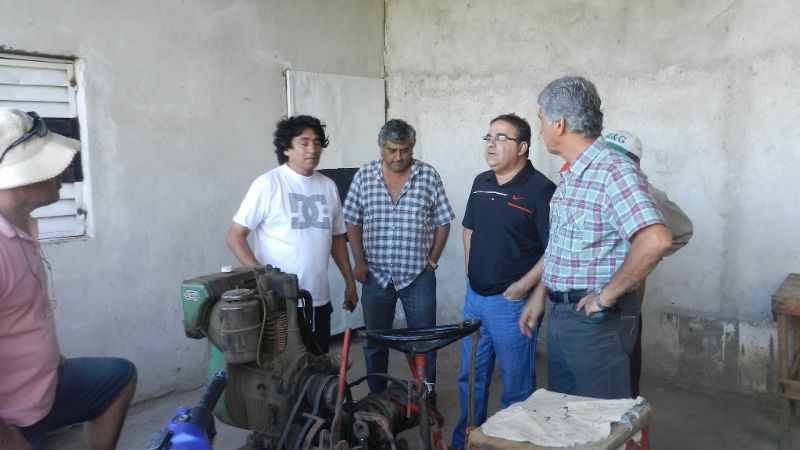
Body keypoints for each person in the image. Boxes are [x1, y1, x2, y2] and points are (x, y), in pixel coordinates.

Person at [0, 108, 137, 450]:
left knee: (118, 378)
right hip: (12, 417)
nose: (64, 172)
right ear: (20, 177)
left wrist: (50, 357)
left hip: (42, 387)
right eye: (52, 165)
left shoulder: (22, 226)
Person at [528, 76, 672, 399]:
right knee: (565, 417)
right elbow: (563, 248)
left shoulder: (611, 170)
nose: (540, 128)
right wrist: (540, 295)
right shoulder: (574, 173)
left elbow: (656, 239)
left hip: (596, 323)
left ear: (559, 124)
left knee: (599, 425)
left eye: (541, 119)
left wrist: (605, 297)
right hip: (564, 315)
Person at [451, 113, 555, 450]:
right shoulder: (481, 182)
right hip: (475, 299)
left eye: (501, 137)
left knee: (517, 387)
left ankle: (515, 444)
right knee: (471, 377)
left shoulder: (540, 190)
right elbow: (469, 228)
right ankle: (464, 442)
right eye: (488, 137)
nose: (491, 144)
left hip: (512, 305)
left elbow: (555, 249)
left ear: (523, 147)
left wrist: (525, 286)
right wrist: (471, 267)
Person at [227, 115, 358, 354]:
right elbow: (235, 237)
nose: (313, 149)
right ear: (287, 148)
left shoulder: (328, 186)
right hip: (279, 303)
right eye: (304, 142)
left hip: (318, 298)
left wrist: (350, 281)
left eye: (317, 142)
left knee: (318, 365)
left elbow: (337, 239)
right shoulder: (268, 184)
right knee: (284, 372)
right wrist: (263, 279)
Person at [342, 119, 454, 397]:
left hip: (418, 276)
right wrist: (359, 261)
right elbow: (352, 221)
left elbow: (443, 222)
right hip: (376, 276)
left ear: (412, 147)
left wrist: (432, 263)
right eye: (392, 150)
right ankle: (376, 396)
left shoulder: (428, 176)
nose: (398, 157)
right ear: (381, 147)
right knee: (375, 341)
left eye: (404, 150)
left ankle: (427, 398)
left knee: (425, 342)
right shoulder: (364, 176)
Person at [604, 129, 693, 397]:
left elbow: (681, 232)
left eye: (617, 158)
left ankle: (627, 429)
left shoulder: (648, 193)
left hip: (624, 298)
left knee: (624, 368)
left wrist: (643, 260)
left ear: (636, 163)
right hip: (588, 297)